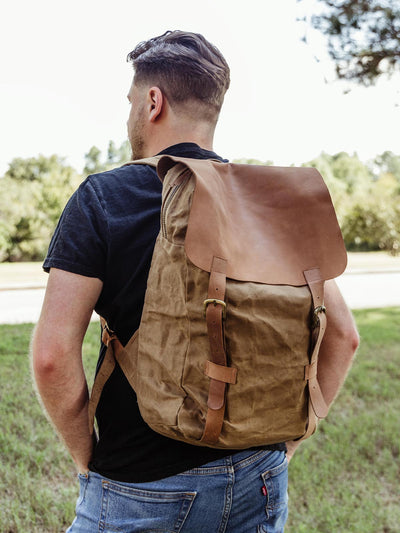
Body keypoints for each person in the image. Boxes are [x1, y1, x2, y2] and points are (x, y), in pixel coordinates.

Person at [32, 30, 359, 532]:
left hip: (140, 485)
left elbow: (53, 357)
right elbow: (343, 336)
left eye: (131, 102)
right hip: (262, 474)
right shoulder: (266, 203)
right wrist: (291, 440)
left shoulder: (103, 198)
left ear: (152, 102)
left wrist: (87, 460)